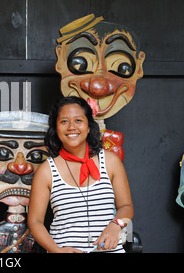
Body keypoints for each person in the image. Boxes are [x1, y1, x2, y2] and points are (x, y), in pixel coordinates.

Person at [28, 96, 133, 253]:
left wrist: (116, 224)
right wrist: (56, 250)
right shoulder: (46, 171)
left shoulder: (110, 161)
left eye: (78, 120)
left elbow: (126, 206)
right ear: (56, 129)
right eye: (64, 121)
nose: (71, 127)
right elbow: (35, 221)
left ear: (89, 126)